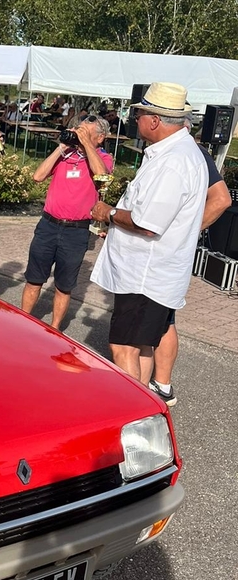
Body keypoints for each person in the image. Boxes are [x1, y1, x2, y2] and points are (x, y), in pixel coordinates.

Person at [90, 82, 208, 385]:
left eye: (139, 114)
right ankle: (143, 402)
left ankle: (131, 409)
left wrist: (109, 214)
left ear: (154, 121)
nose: (136, 119)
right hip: (151, 274)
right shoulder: (177, 153)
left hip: (145, 277)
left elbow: (148, 223)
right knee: (141, 347)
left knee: (123, 348)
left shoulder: (173, 162)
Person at [147, 135, 232, 405]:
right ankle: (160, 385)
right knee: (163, 318)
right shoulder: (179, 152)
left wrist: (187, 231)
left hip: (163, 254)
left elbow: (222, 199)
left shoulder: (190, 152)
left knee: (160, 317)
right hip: (157, 252)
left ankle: (154, 387)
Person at [21, 115, 113, 331]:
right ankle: (22, 322)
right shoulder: (66, 154)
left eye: (85, 131)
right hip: (48, 225)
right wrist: (61, 147)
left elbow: (101, 175)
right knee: (34, 279)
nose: (79, 135)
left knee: (64, 285)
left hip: (76, 231)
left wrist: (87, 144)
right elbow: (38, 176)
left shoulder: (103, 158)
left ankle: (54, 329)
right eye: (78, 130)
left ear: (100, 137)